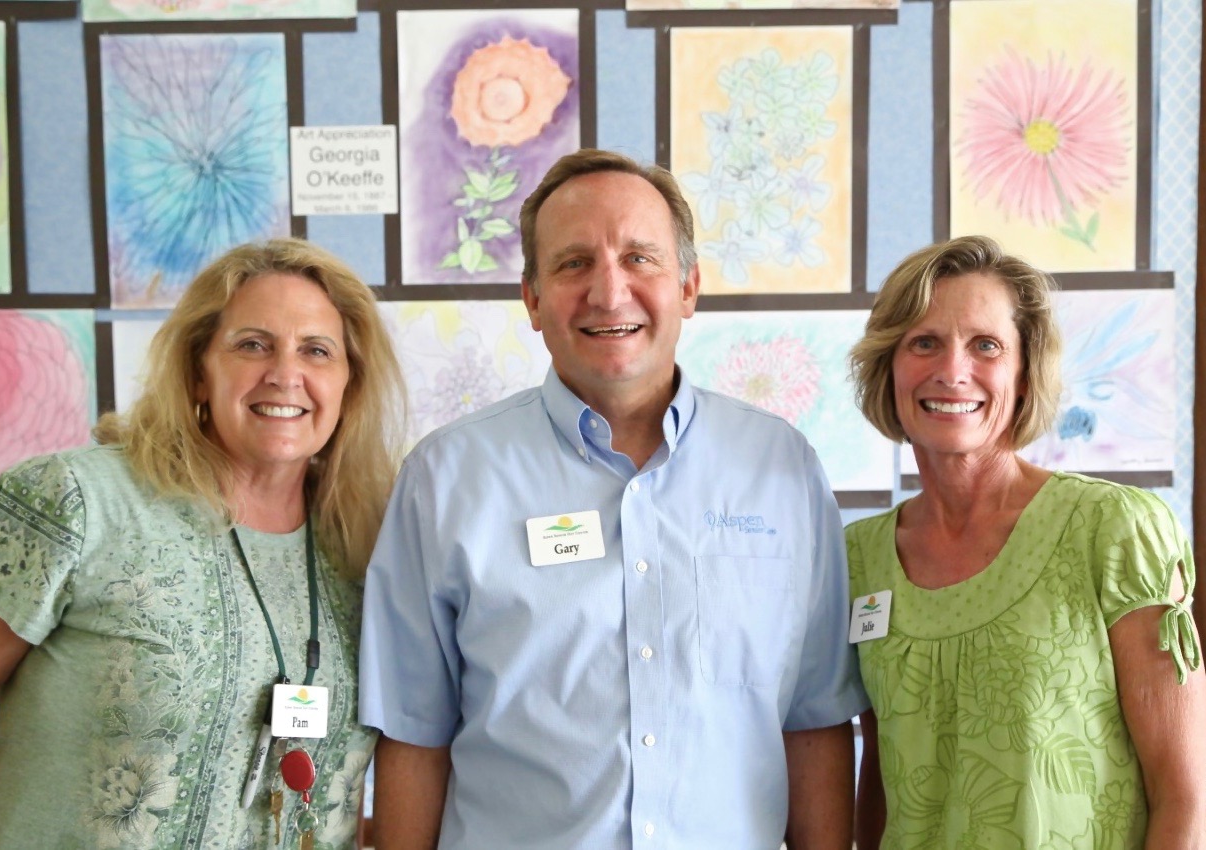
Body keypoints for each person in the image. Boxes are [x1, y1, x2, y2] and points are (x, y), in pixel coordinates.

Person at [359, 148, 868, 850]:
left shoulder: (780, 469)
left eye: (639, 258)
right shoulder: (445, 479)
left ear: (688, 286)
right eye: (573, 263)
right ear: (531, 299)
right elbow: (414, 733)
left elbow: (813, 718)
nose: (608, 291)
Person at [0, 237, 406, 849]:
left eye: (316, 351)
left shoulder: (371, 548)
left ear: (350, 384)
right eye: (252, 344)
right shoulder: (75, 501)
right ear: (197, 369)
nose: (285, 374)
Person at [846, 235, 1206, 849]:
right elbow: (881, 782)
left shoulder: (1115, 530)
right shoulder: (857, 559)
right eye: (924, 342)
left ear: (1023, 373)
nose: (952, 370)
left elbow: (1186, 800)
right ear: (890, 366)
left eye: (985, 345)